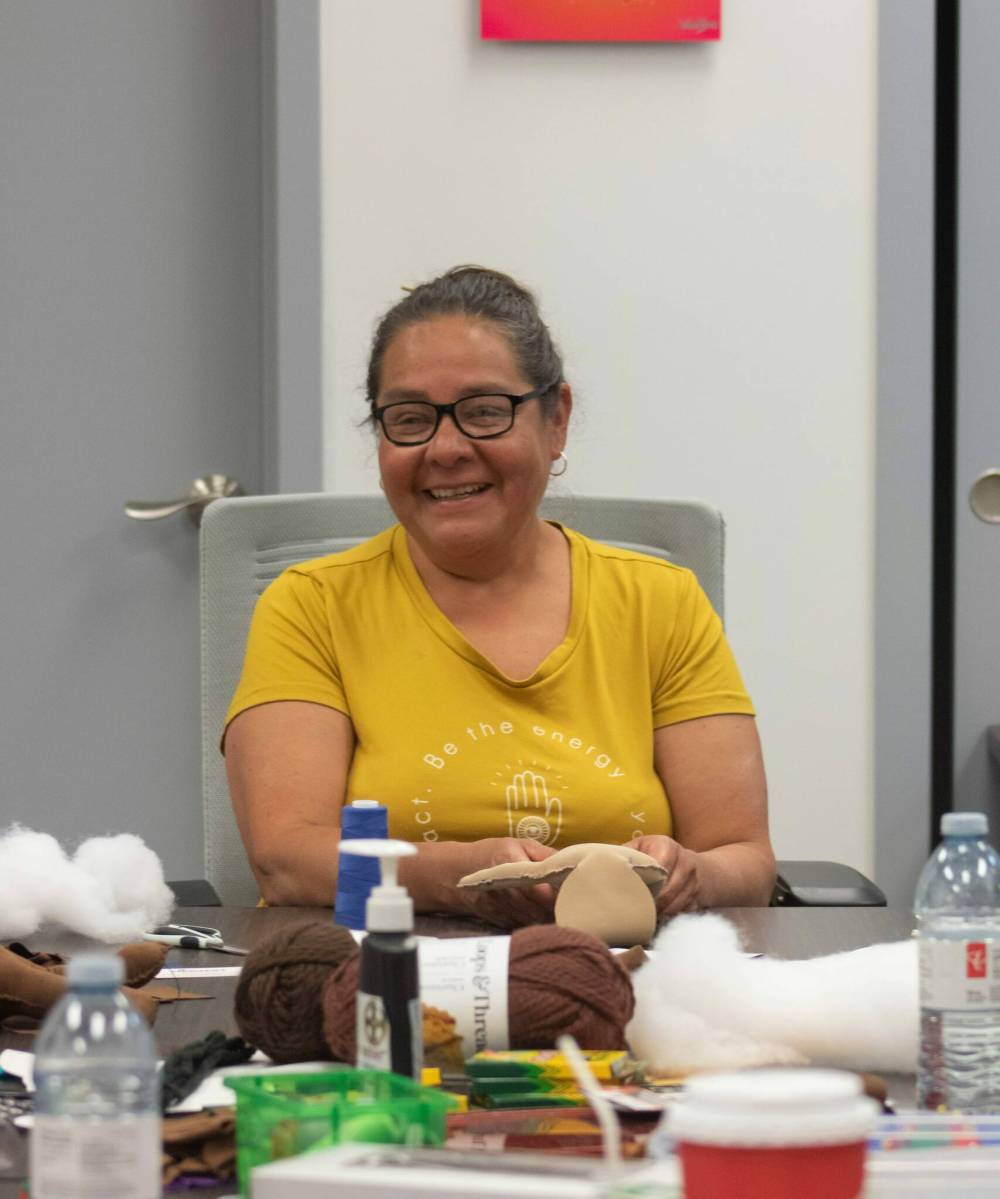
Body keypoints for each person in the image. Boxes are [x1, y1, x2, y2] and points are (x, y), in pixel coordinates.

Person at [224, 266, 775, 927]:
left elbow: (741, 856)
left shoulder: (663, 602)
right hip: (386, 986)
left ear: (557, 420)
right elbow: (286, 859)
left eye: (486, 411)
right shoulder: (310, 606)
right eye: (409, 418)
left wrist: (690, 874)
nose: (446, 447)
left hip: (626, 977)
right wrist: (452, 875)